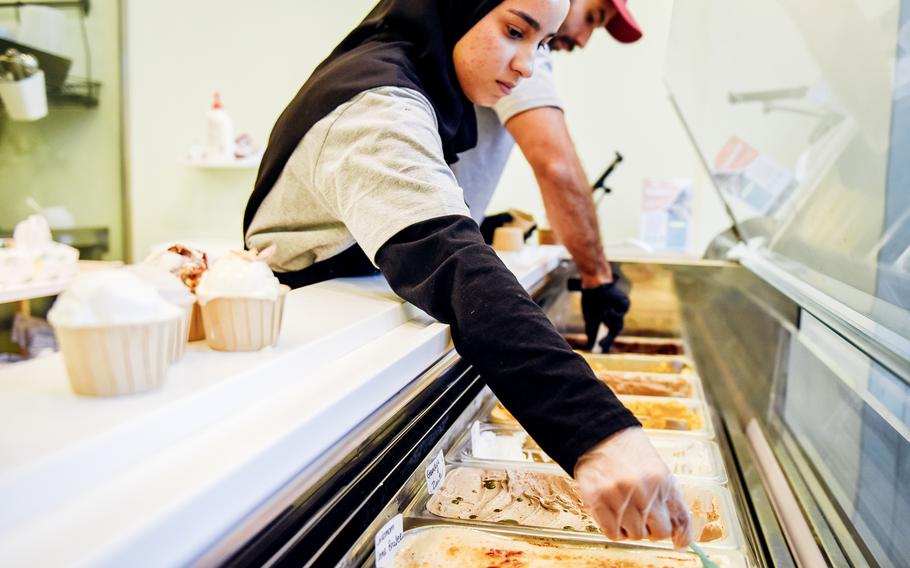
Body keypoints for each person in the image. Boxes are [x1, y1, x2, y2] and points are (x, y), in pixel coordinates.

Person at [244, 0, 691, 547]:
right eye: (514, 32)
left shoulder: (428, 86)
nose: (528, 67)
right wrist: (600, 434)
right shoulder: (376, 107)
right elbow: (455, 266)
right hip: (303, 397)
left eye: (542, 44)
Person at [452, 0, 642, 353]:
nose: (584, 40)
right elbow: (557, 167)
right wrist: (597, 277)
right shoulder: (522, 50)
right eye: (592, 18)